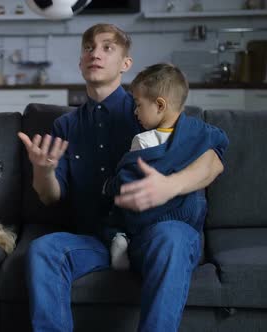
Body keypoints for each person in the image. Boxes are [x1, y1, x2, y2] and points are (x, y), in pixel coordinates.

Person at [17, 23, 227, 332]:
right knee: (43, 250)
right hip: (97, 238)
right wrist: (43, 169)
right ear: (80, 62)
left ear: (125, 64)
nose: (95, 54)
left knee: (173, 236)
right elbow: (50, 196)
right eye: (88, 48)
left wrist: (169, 186)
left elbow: (214, 157)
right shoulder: (64, 126)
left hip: (154, 235)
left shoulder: (151, 108)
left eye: (107, 47)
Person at [100, 63, 229, 271]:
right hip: (186, 220)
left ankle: (120, 237)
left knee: (114, 213)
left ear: (160, 105)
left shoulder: (143, 141)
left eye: (138, 105)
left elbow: (127, 177)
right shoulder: (201, 133)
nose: (135, 112)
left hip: (148, 220)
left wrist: (109, 185)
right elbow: (222, 142)